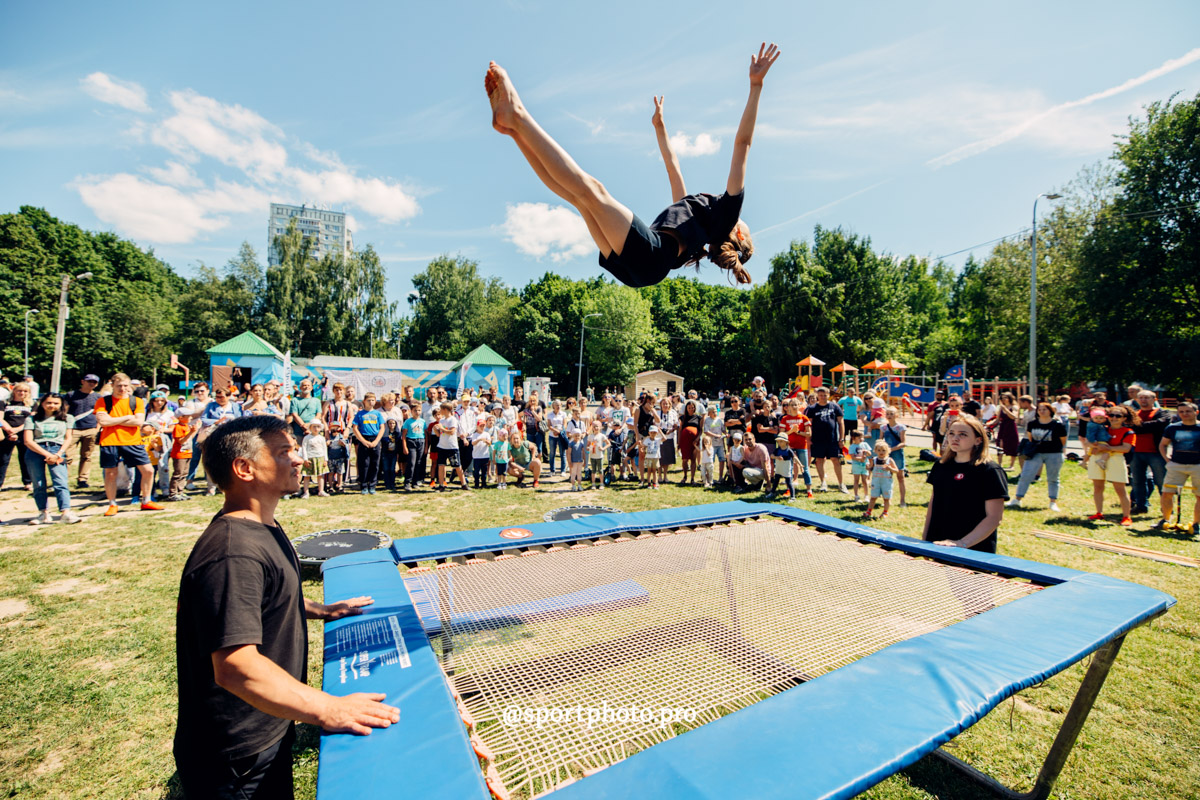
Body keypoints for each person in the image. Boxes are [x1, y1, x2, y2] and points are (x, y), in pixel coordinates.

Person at [173, 416, 398, 799]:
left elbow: (265, 600)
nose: (299, 459)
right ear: (244, 469)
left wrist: (322, 610)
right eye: (283, 452)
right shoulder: (234, 553)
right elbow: (235, 667)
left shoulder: (262, 526)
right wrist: (328, 708)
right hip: (237, 756)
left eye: (294, 449)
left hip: (266, 725)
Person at [484, 44, 780, 288]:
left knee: (592, 191)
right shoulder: (698, 223)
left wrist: (756, 87)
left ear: (739, 234)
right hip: (642, 269)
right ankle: (513, 129)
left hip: (653, 256)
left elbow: (742, 146)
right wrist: (660, 128)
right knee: (578, 197)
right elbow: (672, 167)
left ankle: (519, 115)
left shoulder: (726, 215)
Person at [923, 414, 1009, 552]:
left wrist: (962, 543)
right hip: (940, 543)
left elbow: (994, 517)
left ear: (978, 440)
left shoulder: (990, 470)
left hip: (974, 548)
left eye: (962, 434)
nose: (955, 438)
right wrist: (926, 539)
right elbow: (934, 504)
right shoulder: (941, 465)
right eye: (951, 433)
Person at [96, 373, 163, 516]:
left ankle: (146, 501)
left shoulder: (137, 401)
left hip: (132, 441)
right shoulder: (103, 401)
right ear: (112, 385)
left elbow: (138, 422)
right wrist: (127, 417)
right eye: (119, 385)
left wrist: (113, 419)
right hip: (109, 441)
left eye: (125, 385)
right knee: (111, 473)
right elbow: (103, 422)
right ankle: (112, 504)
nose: (122, 388)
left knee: (148, 470)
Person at [22, 393, 81, 524]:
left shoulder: (67, 418)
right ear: (42, 403)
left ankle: (66, 512)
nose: (52, 406)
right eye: (48, 403)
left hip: (57, 450)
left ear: (61, 404)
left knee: (60, 482)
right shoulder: (32, 419)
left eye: (55, 403)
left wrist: (58, 454)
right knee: (38, 483)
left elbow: (68, 438)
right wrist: (46, 455)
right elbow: (28, 440)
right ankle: (43, 513)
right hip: (36, 450)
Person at [1010, 402, 1068, 511]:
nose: (1041, 411)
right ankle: (1017, 499)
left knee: (1053, 478)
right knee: (1026, 475)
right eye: (1040, 409)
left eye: (1044, 409)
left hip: (1054, 453)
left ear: (1050, 411)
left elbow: (1063, 440)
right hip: (1036, 453)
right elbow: (1031, 438)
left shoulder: (1057, 425)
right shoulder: (1032, 424)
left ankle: (1052, 502)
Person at [1087, 406, 1134, 525]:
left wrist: (1107, 448)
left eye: (1118, 416)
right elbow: (1088, 441)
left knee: (1120, 489)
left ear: (1124, 418)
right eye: (1111, 415)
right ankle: (1099, 512)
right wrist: (1095, 446)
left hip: (1116, 459)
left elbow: (1126, 448)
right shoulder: (1101, 428)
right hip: (1097, 457)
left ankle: (1126, 516)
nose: (1114, 418)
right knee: (1098, 487)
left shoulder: (1128, 432)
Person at [1159, 402, 1200, 534]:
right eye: (1181, 411)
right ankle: (1165, 520)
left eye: (1188, 411)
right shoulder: (1172, 428)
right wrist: (1167, 460)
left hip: (1197, 466)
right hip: (1176, 465)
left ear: (1196, 412)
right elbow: (1163, 445)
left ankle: (1196, 524)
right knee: (1166, 493)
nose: (1184, 414)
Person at [1128, 390, 1171, 515]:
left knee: (1161, 481)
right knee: (1137, 481)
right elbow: (1130, 426)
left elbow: (1160, 424)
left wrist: (1139, 426)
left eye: (1146, 397)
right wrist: (1143, 427)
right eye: (1140, 397)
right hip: (1136, 452)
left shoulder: (1162, 412)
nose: (1143, 400)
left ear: (1154, 399)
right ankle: (1141, 505)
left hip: (1156, 453)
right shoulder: (1135, 414)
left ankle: (1167, 508)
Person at [63, 374, 101, 489]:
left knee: (86, 456)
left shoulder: (98, 397)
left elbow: (101, 413)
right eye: (89, 381)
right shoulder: (71, 395)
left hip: (90, 428)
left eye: (94, 382)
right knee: (67, 456)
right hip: (73, 429)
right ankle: (63, 479)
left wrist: (97, 428)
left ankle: (83, 479)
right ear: (82, 381)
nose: (91, 383)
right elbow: (64, 411)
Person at [806, 387, 846, 493]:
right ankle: (823, 483)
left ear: (829, 395)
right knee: (819, 460)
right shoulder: (812, 408)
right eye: (821, 395)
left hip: (832, 439)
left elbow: (841, 423)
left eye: (825, 395)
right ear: (817, 396)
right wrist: (808, 439)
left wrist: (842, 438)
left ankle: (841, 484)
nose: (823, 397)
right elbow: (808, 424)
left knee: (835, 460)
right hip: (818, 439)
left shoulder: (835, 406)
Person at [0, 381, 35, 491]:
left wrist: (18, 429)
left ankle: (27, 482)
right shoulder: (4, 403)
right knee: (3, 459)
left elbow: (32, 420)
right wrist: (10, 430)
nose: (22, 393)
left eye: (25, 391)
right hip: (7, 434)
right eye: (19, 390)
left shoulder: (33, 404)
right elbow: (0, 418)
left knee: (25, 458)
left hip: (25, 434)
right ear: (14, 391)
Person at [351, 393, 385, 495]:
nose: (371, 402)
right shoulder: (360, 414)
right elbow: (355, 428)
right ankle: (364, 485)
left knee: (375, 464)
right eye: (369, 400)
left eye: (373, 400)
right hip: (364, 439)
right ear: (364, 401)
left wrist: (376, 441)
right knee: (364, 464)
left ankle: (372, 485)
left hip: (375, 439)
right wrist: (363, 441)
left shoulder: (378, 414)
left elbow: (382, 428)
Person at [432, 402, 468, 491]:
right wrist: (435, 429)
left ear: (445, 410)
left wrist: (442, 428)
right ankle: (441, 484)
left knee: (457, 466)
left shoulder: (453, 420)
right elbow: (439, 435)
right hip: (442, 446)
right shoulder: (442, 420)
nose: (440, 411)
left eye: (441, 409)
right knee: (441, 465)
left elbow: (452, 432)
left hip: (452, 447)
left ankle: (464, 484)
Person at [168, 410, 199, 501]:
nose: (191, 418)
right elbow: (181, 441)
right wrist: (190, 432)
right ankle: (173, 493)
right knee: (178, 473)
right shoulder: (178, 427)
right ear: (181, 417)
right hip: (179, 454)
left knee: (184, 473)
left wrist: (194, 431)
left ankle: (180, 491)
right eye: (188, 416)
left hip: (187, 453)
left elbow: (189, 439)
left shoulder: (186, 426)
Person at [880, 407, 908, 506]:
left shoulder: (900, 427)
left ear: (896, 415)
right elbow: (880, 441)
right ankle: (887, 499)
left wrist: (891, 449)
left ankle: (902, 500)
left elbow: (903, 443)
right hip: (886, 455)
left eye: (891, 413)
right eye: (887, 413)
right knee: (886, 477)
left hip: (897, 454)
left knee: (900, 477)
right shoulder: (883, 427)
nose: (889, 416)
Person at [866, 440, 900, 520]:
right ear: (875, 451)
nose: (881, 452)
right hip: (876, 482)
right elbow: (870, 469)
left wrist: (890, 468)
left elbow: (896, 470)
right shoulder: (874, 460)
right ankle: (869, 511)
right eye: (879, 450)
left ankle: (885, 512)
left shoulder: (890, 460)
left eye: (883, 450)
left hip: (886, 483)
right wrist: (868, 468)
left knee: (886, 498)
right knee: (873, 497)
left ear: (888, 451)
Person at [401, 402, 426, 492]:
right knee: (411, 463)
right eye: (415, 410)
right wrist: (404, 447)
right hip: (411, 441)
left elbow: (425, 434)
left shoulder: (423, 421)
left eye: (419, 410)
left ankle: (415, 482)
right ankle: (407, 482)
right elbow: (403, 435)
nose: (417, 412)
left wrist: (426, 447)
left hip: (421, 441)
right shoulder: (408, 422)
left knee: (418, 462)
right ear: (411, 411)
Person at [768, 434, 795, 499]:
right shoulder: (777, 450)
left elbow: (794, 457)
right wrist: (776, 457)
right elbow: (771, 456)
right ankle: (772, 492)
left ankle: (792, 497)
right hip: (779, 469)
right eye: (778, 441)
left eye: (781, 441)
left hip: (786, 468)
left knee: (789, 482)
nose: (779, 443)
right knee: (776, 481)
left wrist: (800, 465)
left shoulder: (789, 451)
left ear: (786, 442)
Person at [848, 430, 871, 502]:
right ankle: (856, 496)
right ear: (853, 438)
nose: (861, 439)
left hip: (864, 465)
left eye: (862, 437)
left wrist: (867, 452)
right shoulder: (852, 446)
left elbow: (870, 454)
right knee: (856, 480)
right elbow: (853, 457)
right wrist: (860, 459)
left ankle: (866, 495)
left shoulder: (865, 444)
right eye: (859, 438)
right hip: (856, 465)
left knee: (865, 480)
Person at [325, 424, 348, 494]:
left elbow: (346, 445)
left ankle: (340, 485)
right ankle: (331, 486)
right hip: (331, 457)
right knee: (331, 472)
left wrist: (343, 444)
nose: (335, 431)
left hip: (340, 457)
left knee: (340, 473)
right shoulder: (328, 437)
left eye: (337, 429)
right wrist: (327, 444)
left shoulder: (341, 437)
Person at [587, 421, 607, 489]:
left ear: (600, 427)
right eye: (594, 426)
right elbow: (589, 444)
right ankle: (593, 484)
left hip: (600, 456)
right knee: (593, 470)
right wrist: (588, 448)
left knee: (600, 470)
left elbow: (608, 443)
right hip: (592, 456)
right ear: (592, 427)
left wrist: (603, 448)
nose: (596, 428)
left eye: (597, 426)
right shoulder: (590, 436)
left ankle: (601, 483)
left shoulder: (602, 436)